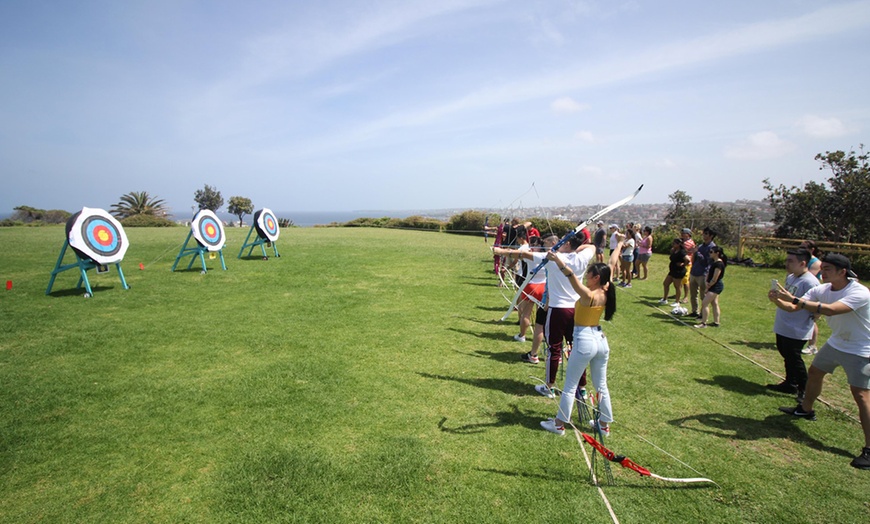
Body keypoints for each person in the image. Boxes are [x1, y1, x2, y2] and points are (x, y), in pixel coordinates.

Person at [772, 254, 870, 470]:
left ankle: (869, 449)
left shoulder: (859, 292)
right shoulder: (822, 289)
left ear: (842, 272)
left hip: (861, 347)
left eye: (827, 269)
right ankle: (806, 409)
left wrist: (795, 299)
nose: (822, 273)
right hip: (837, 343)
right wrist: (778, 300)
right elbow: (794, 308)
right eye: (822, 268)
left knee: (861, 395)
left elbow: (831, 309)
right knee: (815, 372)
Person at [540, 239, 623, 437]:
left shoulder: (588, 295)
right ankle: (604, 425)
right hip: (600, 341)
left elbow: (570, 276)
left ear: (596, 278)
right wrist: (618, 245)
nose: (585, 277)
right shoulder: (606, 288)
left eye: (589, 274)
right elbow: (611, 263)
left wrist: (557, 260)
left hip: (585, 341)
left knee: (569, 385)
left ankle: (559, 424)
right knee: (601, 384)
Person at [493, 232, 593, 397]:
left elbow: (523, 254)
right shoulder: (581, 258)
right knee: (574, 349)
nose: (560, 243)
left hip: (557, 310)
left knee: (554, 349)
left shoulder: (552, 259)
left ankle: (549, 386)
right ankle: (581, 387)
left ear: (568, 245)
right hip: (576, 309)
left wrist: (501, 252)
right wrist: (573, 249)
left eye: (563, 241)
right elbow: (591, 246)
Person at [765, 248, 820, 398]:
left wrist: (777, 300)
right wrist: (776, 297)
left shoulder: (810, 282)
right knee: (786, 354)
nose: (786, 263)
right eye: (786, 260)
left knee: (794, 359)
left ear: (803, 263)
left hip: (797, 328)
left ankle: (804, 389)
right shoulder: (791, 277)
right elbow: (786, 299)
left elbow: (794, 307)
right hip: (784, 325)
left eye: (791, 261)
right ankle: (790, 383)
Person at [513, 234, 546, 343]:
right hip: (544, 286)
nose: (531, 246)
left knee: (526, 313)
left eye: (533, 245)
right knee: (542, 314)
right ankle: (543, 336)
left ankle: (522, 335)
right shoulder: (547, 256)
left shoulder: (531, 256)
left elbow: (517, 255)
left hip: (531, 285)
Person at [688, 227, 717, 318]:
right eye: (703, 233)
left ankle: (702, 313)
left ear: (711, 236)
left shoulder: (712, 247)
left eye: (706, 234)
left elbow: (707, 262)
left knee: (703, 295)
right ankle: (694, 311)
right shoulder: (700, 246)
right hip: (694, 272)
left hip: (703, 274)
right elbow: (695, 260)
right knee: (693, 294)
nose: (704, 235)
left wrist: (698, 253)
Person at [694, 246, 726, 328]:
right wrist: (706, 281)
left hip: (716, 286)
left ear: (717, 253)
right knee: (714, 303)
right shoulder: (714, 262)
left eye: (711, 252)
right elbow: (709, 274)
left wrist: (708, 287)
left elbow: (715, 278)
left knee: (704, 303)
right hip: (712, 285)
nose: (709, 253)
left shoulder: (719, 264)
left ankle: (703, 323)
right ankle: (716, 322)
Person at [800, 240, 823, 354]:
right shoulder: (802, 259)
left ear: (811, 249)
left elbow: (809, 277)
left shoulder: (816, 263)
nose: (801, 249)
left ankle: (812, 345)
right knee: (803, 318)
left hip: (812, 292)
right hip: (802, 290)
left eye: (803, 247)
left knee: (812, 319)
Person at [659, 238, 689, 305]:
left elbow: (687, 259)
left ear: (679, 244)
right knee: (666, 283)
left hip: (678, 271)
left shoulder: (682, 252)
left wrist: (683, 264)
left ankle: (677, 302)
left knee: (677, 286)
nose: (673, 244)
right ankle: (664, 299)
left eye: (674, 243)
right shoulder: (674, 250)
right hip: (672, 270)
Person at [681, 228, 696, 304]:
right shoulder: (683, 241)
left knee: (685, 280)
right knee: (679, 279)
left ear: (688, 234)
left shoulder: (689, 243)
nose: (682, 234)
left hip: (687, 263)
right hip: (681, 263)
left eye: (684, 233)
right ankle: (679, 293)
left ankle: (686, 297)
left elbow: (685, 251)